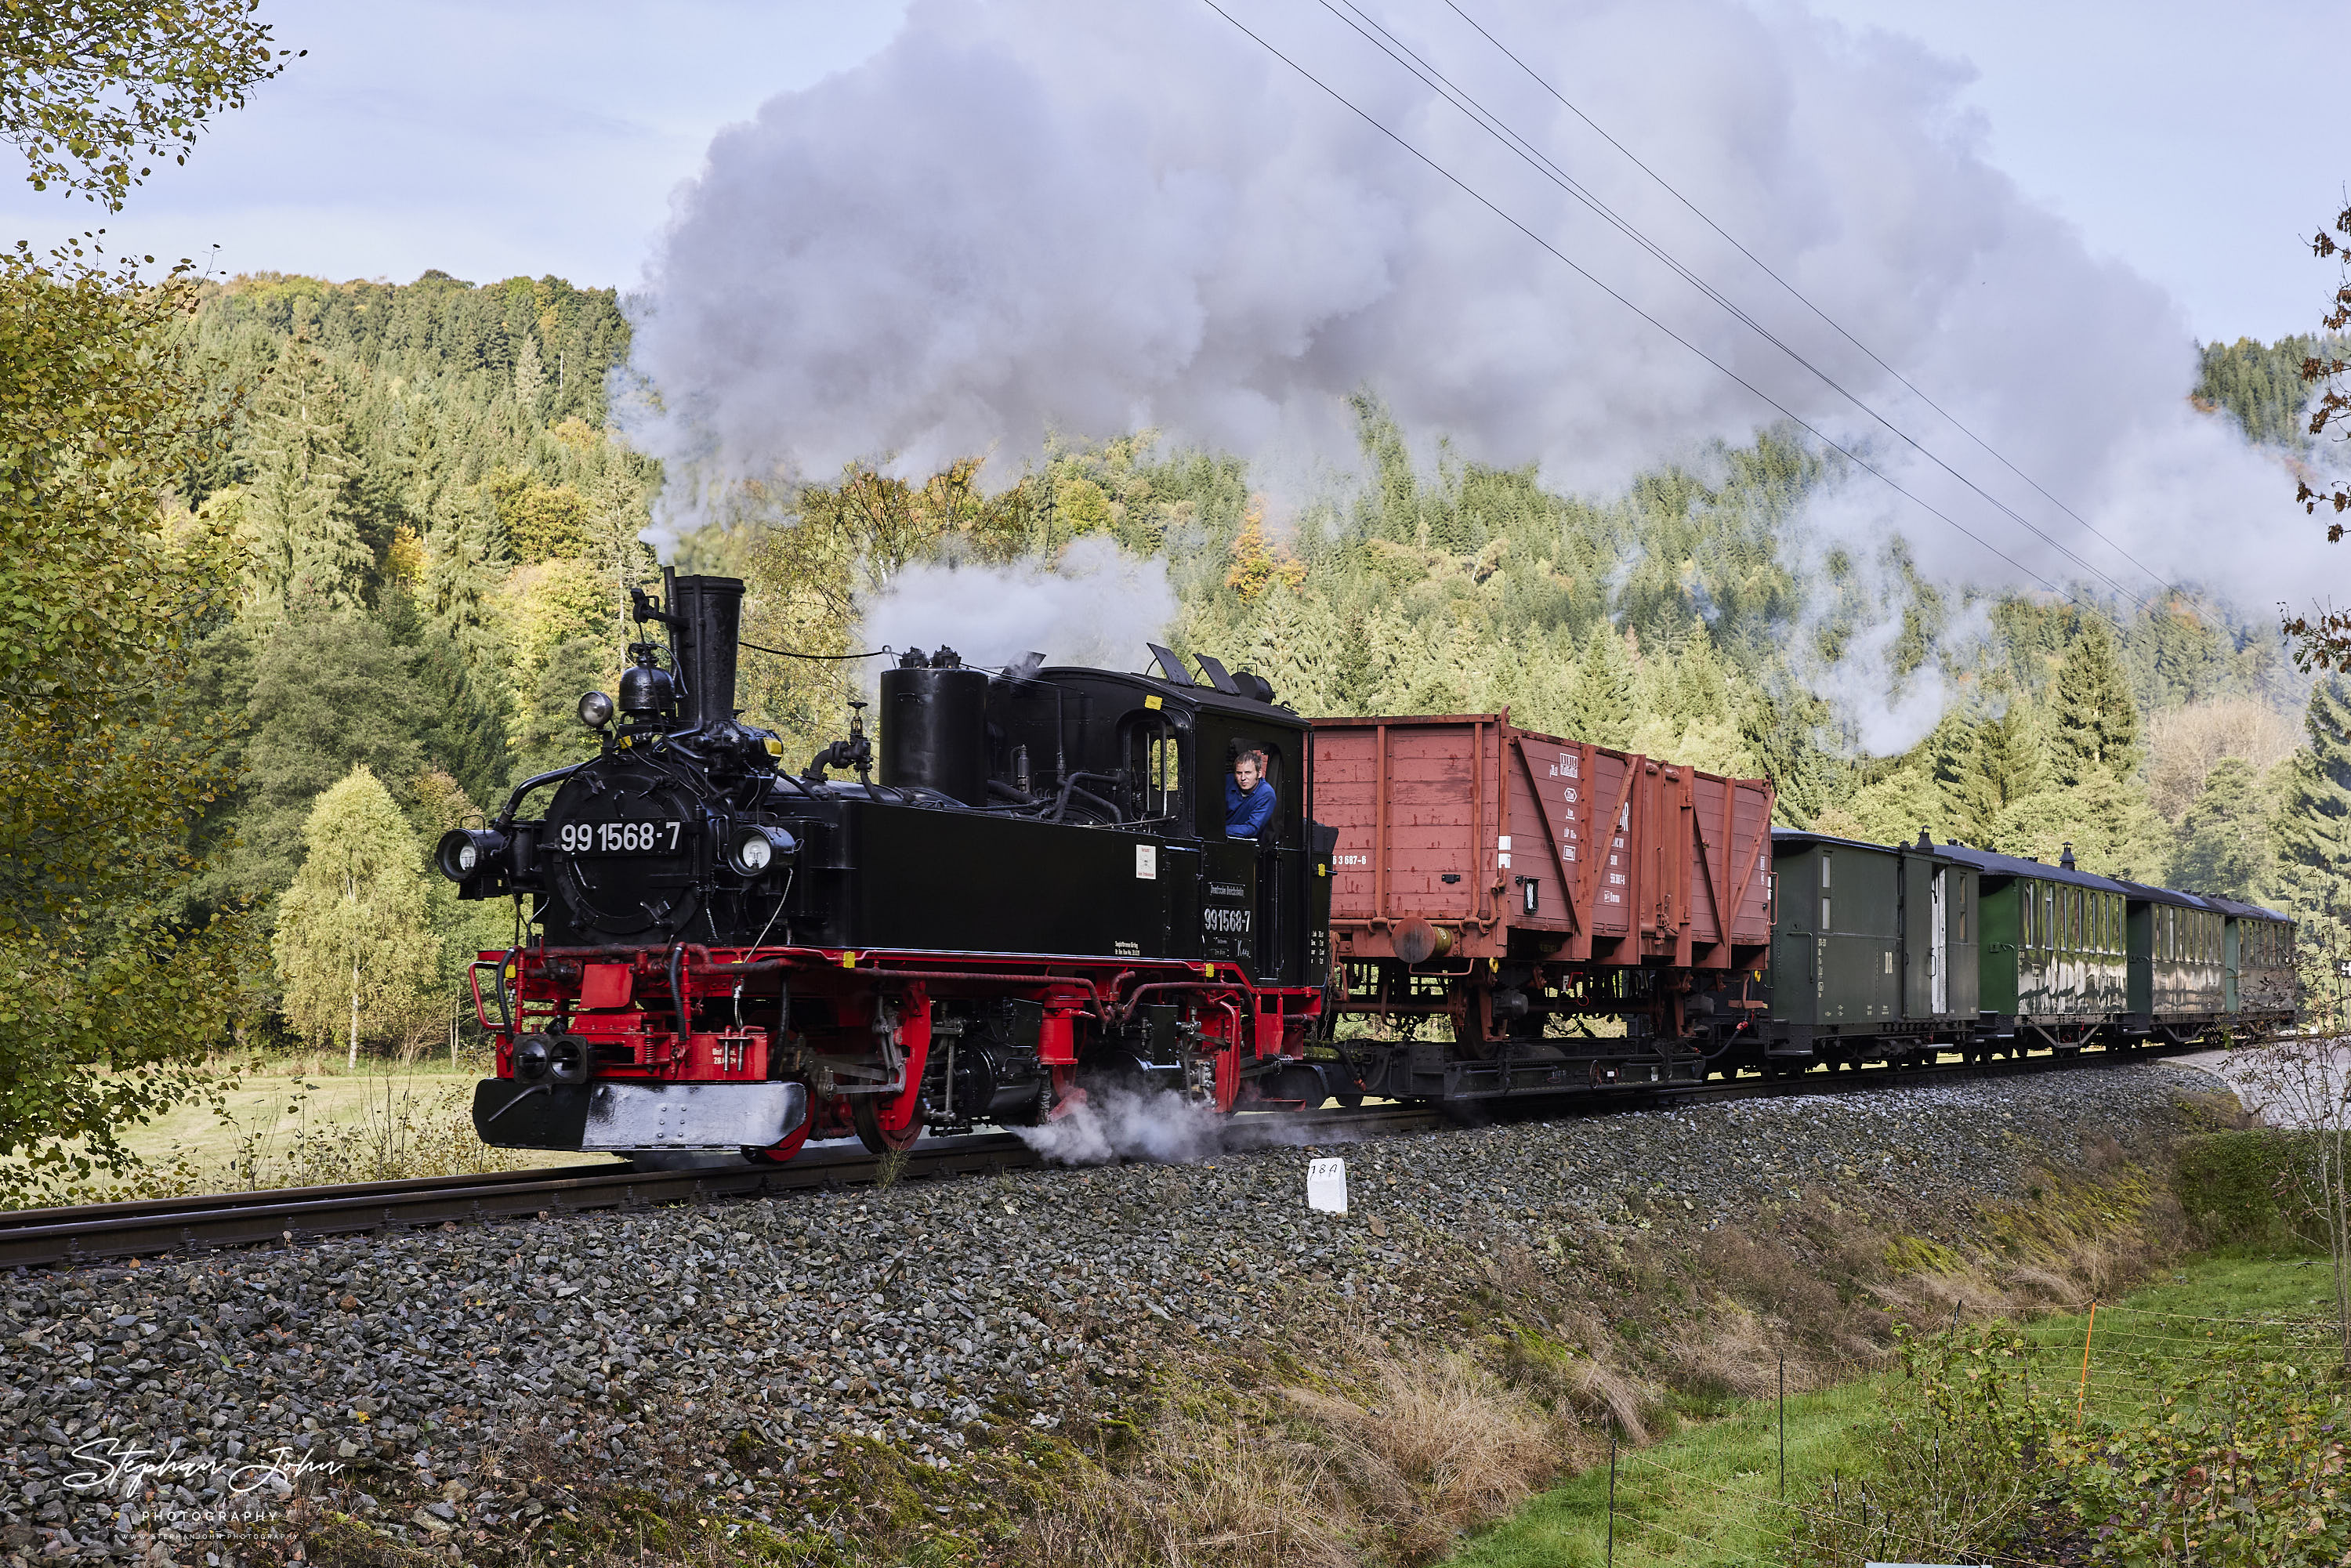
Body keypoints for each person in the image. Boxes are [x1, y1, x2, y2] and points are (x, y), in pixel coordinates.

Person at [1226, 748, 1277, 838]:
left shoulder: (1266, 794)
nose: (1243, 778)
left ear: (1259, 773)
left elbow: (1252, 829)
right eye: (1239, 773)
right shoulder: (1228, 781)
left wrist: (1220, 830)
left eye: (1248, 773)